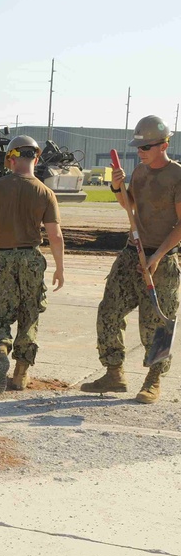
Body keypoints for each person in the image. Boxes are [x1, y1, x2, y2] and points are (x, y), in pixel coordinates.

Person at [81, 115, 181, 403]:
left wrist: (159, 255)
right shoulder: (139, 172)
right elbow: (129, 206)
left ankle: (153, 380)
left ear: (163, 145)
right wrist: (117, 188)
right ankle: (114, 373)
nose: (140, 152)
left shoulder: (177, 176)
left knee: (158, 323)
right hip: (131, 254)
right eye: (138, 148)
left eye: (145, 147)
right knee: (109, 311)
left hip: (162, 258)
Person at [0, 135, 65, 394]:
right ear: (36, 158)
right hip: (30, 260)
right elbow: (55, 235)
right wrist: (60, 268)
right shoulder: (45, 192)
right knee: (29, 315)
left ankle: (1, 349)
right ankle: (20, 374)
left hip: (0, 258)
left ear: (11, 159)